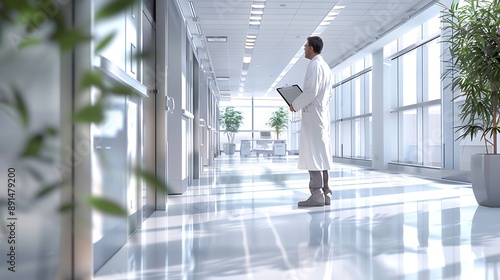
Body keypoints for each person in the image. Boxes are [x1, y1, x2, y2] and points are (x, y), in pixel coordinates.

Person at [289, 36, 333, 207]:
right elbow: (328, 93)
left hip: (314, 115)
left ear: (312, 48)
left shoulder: (314, 65)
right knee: (321, 154)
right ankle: (325, 193)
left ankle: (316, 195)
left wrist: (295, 104)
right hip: (321, 114)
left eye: (306, 46)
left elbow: (311, 91)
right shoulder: (326, 67)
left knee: (314, 154)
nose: (304, 49)